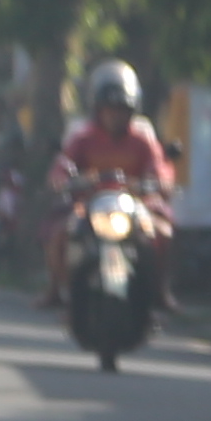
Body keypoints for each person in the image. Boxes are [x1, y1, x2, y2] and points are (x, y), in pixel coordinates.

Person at [42, 63, 181, 307]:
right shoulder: (83, 138)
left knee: (164, 234)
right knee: (58, 234)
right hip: (89, 206)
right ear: (98, 110)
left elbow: (159, 167)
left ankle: (160, 291)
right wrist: (60, 178)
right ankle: (55, 289)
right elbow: (64, 163)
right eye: (109, 109)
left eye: (121, 109)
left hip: (135, 207)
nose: (115, 115)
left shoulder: (143, 140)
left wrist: (161, 181)